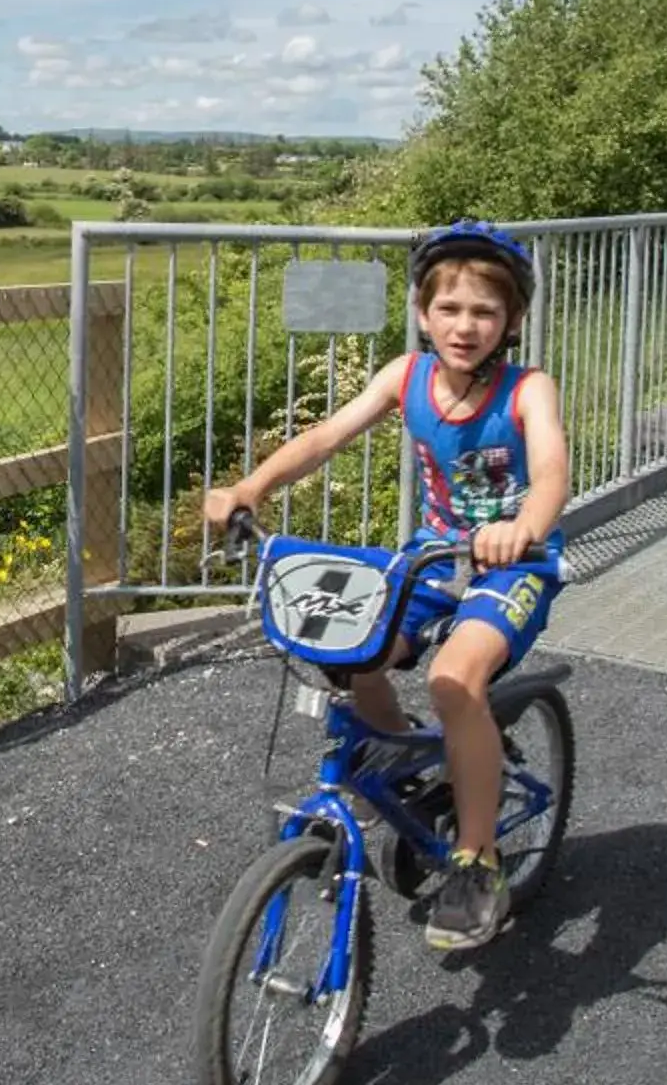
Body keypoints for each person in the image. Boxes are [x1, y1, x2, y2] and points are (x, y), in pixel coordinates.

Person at [202, 221, 569, 952]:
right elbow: (325, 437)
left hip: (513, 563)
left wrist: (523, 525)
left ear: (512, 321)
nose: (465, 326)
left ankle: (477, 861)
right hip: (433, 556)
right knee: (348, 647)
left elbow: (553, 469)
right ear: (422, 312)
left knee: (453, 680)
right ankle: (402, 755)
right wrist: (251, 486)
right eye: (450, 309)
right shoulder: (405, 377)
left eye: (485, 312)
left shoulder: (528, 388)